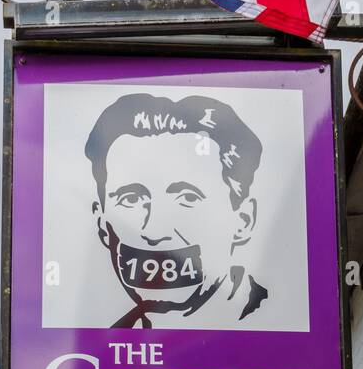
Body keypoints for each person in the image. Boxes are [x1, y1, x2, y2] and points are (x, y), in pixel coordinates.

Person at [84, 92, 268, 329]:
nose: (153, 231)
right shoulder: (99, 348)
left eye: (187, 198)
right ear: (101, 223)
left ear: (243, 221)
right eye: (130, 199)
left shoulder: (281, 325)